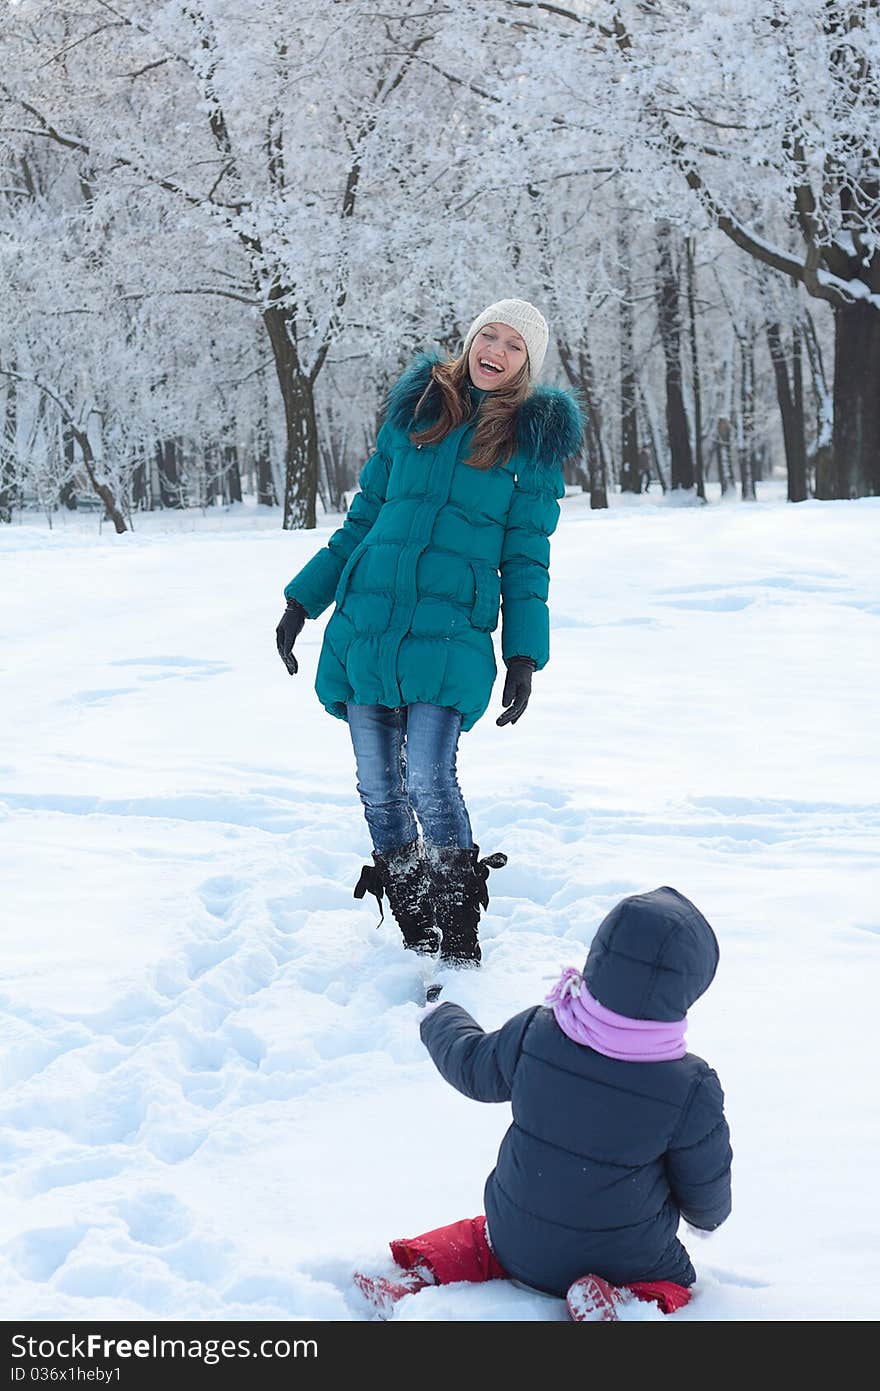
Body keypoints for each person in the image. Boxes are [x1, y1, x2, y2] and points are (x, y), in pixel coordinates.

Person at [276, 299, 583, 966]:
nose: (496, 350)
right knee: (378, 783)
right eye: (489, 335)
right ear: (472, 338)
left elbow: (526, 558)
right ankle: (415, 913)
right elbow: (362, 520)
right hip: (371, 622)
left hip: (450, 633)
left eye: (514, 346)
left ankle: (458, 923)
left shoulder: (529, 443)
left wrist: (524, 654)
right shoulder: (417, 410)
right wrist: (303, 601)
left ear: (528, 364)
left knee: (430, 780)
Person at [353, 887, 733, 1321]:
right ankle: (619, 1302)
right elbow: (705, 1182)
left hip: (518, 1239)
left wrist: (441, 1018)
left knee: (481, 1240)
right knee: (674, 1278)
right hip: (627, 1257)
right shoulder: (690, 1086)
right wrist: (707, 1219)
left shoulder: (540, 1030)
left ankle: (416, 1275)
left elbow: (472, 1066)